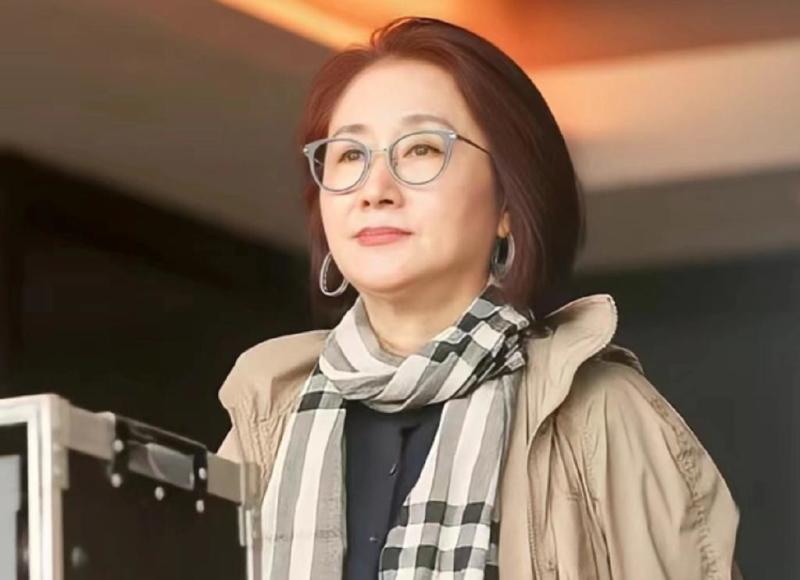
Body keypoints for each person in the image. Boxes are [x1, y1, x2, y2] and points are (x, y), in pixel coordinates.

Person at [216, 16, 742, 580]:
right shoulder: (269, 410)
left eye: (420, 149)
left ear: (508, 205)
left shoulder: (600, 415)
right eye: (349, 155)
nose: (375, 190)